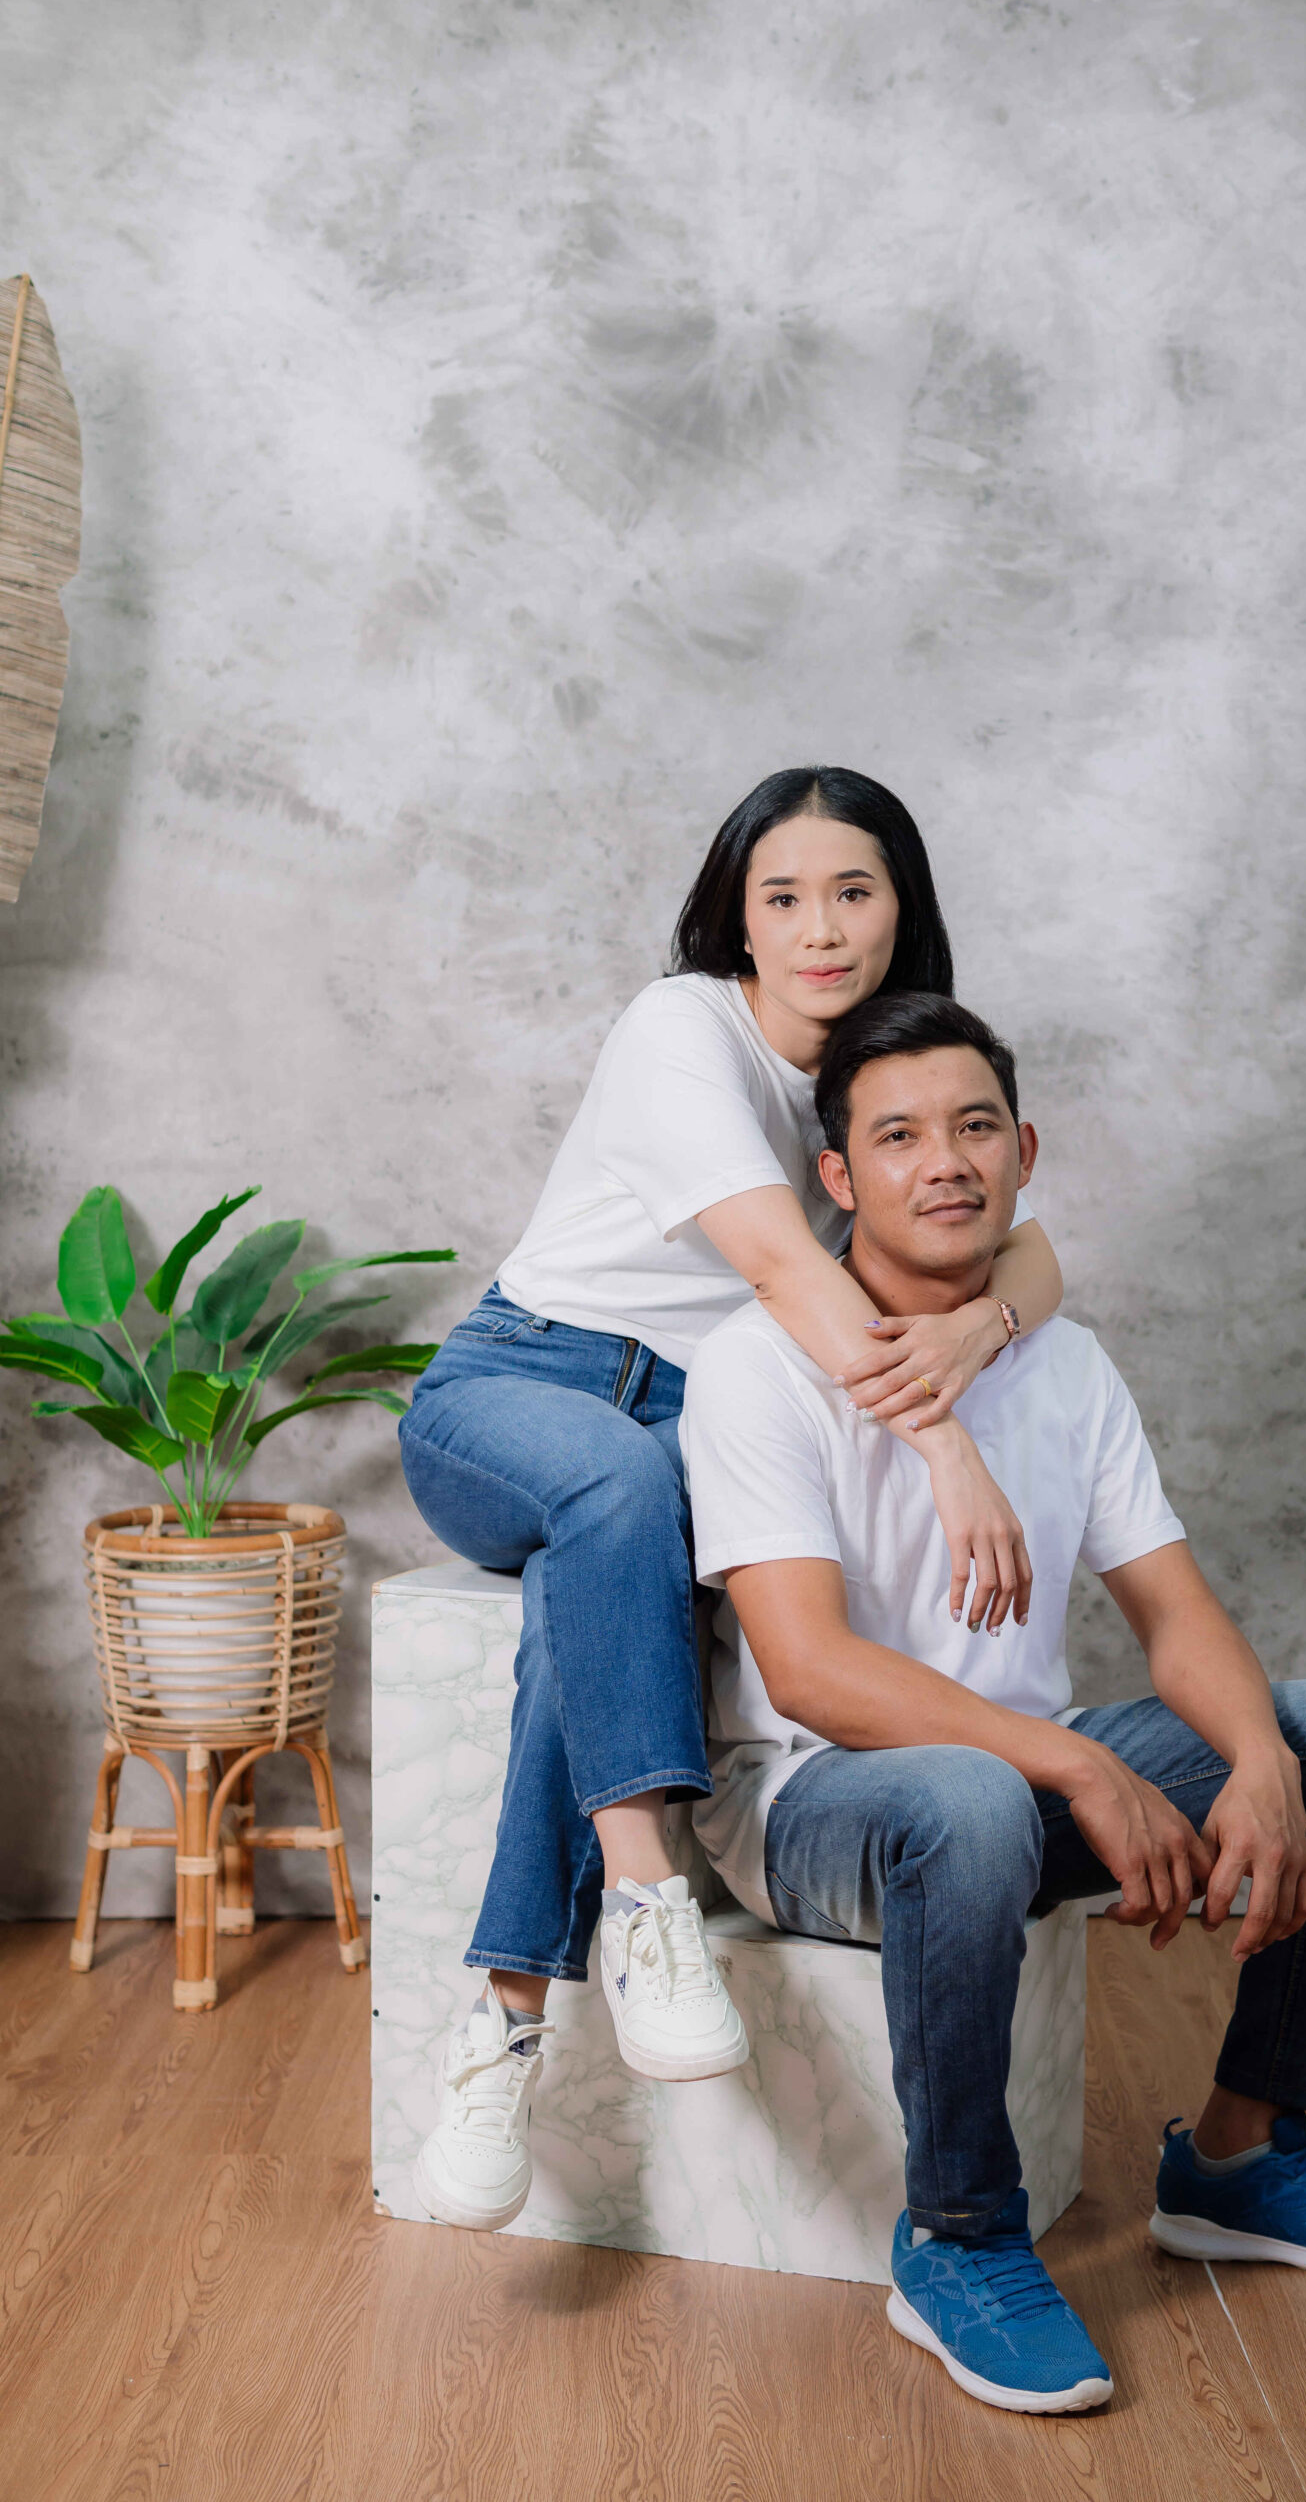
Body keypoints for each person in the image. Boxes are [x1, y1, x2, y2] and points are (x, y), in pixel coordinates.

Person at [678, 990, 1306, 2417]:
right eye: (899, 1137)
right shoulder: (757, 1365)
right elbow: (808, 1671)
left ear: (1024, 1151)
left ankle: (1239, 2156)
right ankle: (960, 2237)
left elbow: (1175, 1613)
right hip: (811, 1800)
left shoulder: (1066, 1362)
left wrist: (1260, 1762)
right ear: (837, 1177)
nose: (946, 1162)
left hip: (1015, 1782)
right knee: (972, 1795)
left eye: (975, 1127)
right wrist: (1077, 1768)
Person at [397, 769, 1065, 2232]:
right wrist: (948, 1446)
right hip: (522, 1383)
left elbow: (1030, 1242)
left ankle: (501, 2024)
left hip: (683, 1428)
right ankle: (644, 1896)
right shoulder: (680, 1027)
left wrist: (983, 1326)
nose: (820, 928)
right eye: (784, 897)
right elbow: (778, 1263)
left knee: (592, 1590)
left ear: (901, 909)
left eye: (853, 892)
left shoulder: (884, 1073)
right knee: (618, 1480)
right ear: (737, 920)